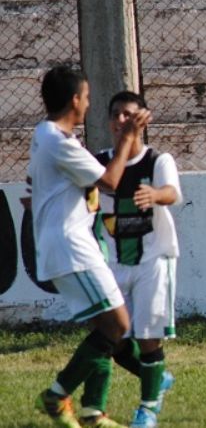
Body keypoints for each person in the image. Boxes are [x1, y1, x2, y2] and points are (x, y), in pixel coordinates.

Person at [28, 66, 150, 428]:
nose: (89, 103)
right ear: (75, 100)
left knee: (108, 328)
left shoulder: (48, 134)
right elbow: (111, 180)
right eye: (87, 97)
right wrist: (129, 136)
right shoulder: (58, 141)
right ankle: (56, 395)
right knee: (117, 325)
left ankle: (94, 412)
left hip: (70, 244)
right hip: (71, 246)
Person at [94, 91, 182, 428]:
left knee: (147, 338)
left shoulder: (157, 160)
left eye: (128, 115)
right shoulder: (100, 162)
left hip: (153, 260)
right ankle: (157, 378)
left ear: (143, 119)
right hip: (114, 262)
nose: (120, 121)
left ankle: (147, 409)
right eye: (115, 114)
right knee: (109, 337)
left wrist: (155, 194)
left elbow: (172, 193)